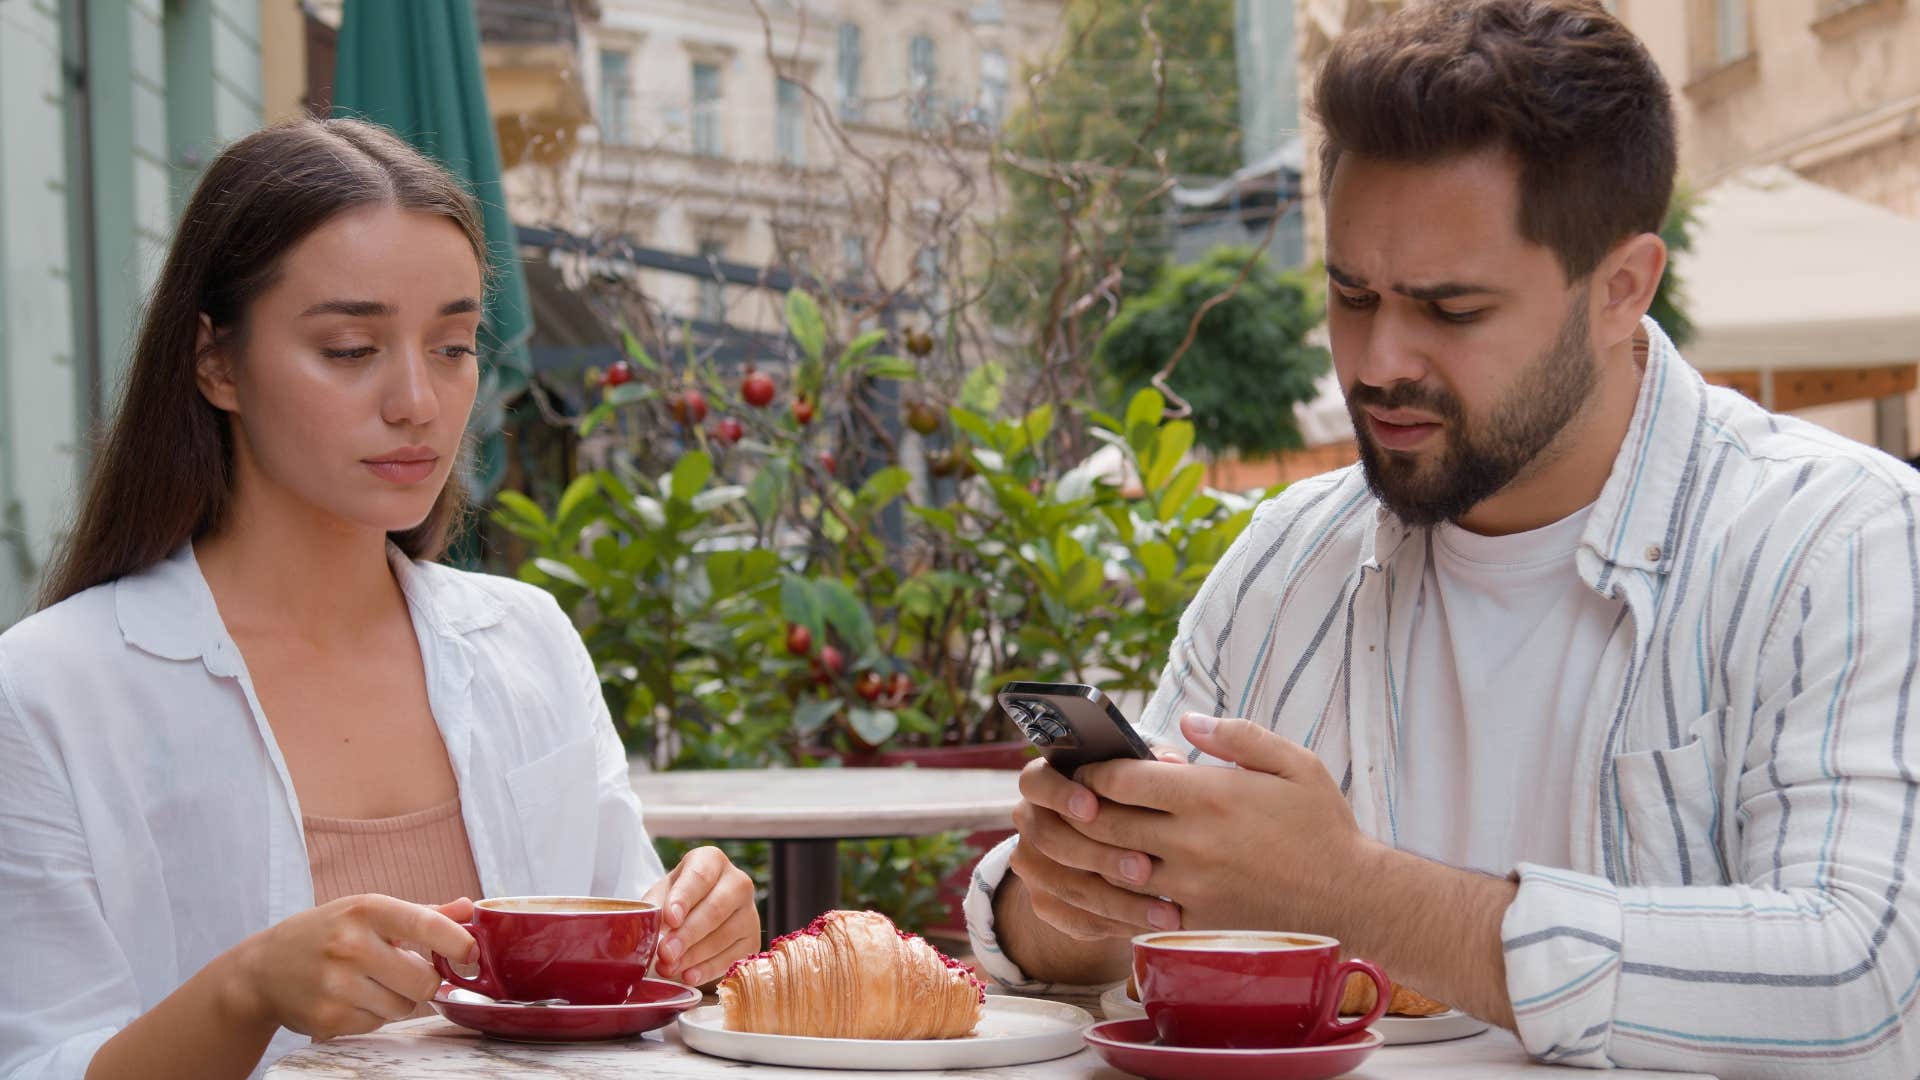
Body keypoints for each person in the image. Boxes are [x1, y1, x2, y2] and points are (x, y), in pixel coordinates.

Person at [963, 1, 1920, 1075]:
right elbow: (1074, 937)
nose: (1378, 361)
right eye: (1350, 294)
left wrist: (1344, 889)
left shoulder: (1831, 540)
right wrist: (1080, 895)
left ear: (1620, 288)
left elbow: (1858, 981)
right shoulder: (1286, 562)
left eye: (1452, 310)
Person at [0, 119, 758, 1080]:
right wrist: (243, 993)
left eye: (452, 345)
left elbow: (635, 977)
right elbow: (37, 1061)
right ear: (216, 363)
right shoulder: (46, 690)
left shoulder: (527, 641)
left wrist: (704, 934)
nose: (418, 400)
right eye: (353, 348)